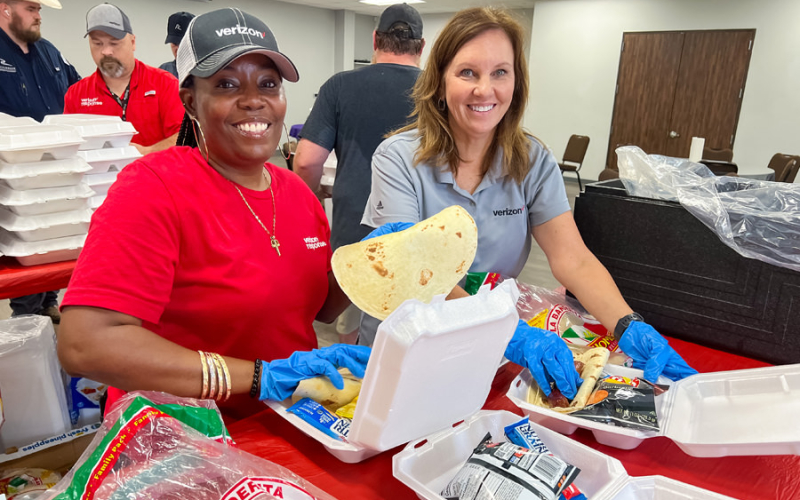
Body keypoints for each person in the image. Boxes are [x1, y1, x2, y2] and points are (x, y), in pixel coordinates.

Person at [360, 7, 697, 399]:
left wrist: (627, 324)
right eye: (467, 72)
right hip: (407, 348)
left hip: (487, 354)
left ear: (516, 83)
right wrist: (506, 331)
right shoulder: (398, 158)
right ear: (439, 81)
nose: (484, 90)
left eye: (500, 73)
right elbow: (411, 272)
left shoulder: (532, 161)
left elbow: (573, 259)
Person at [57, 7, 368, 421]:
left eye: (268, 84)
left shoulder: (297, 192)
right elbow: (85, 345)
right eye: (226, 84)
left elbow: (317, 309)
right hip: (184, 434)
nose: (254, 100)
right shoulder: (153, 188)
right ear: (190, 101)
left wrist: (367, 261)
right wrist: (259, 377)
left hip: (291, 421)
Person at [293, 2, 424, 343]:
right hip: (422, 233)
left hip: (356, 230)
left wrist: (310, 207)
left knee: (352, 333)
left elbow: (306, 162)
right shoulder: (440, 90)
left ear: (375, 39)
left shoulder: (339, 87)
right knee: (417, 331)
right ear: (422, 47)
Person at [0, 0, 81, 325]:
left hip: (55, 167)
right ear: (6, 8)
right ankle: (26, 317)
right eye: (32, 8)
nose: (38, 16)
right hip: (14, 173)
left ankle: (48, 301)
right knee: (24, 242)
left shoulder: (50, 53)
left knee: (53, 235)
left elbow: (78, 89)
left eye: (39, 10)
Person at [63, 3, 184, 155]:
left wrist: (147, 152)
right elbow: (69, 149)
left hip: (153, 169)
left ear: (133, 42)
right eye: (97, 43)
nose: (106, 51)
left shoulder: (165, 84)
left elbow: (185, 139)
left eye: (114, 43)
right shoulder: (76, 95)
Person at [158, 11, 193, 78]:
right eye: (174, 43)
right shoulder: (164, 70)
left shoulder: (206, 71)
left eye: (182, 44)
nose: (178, 49)